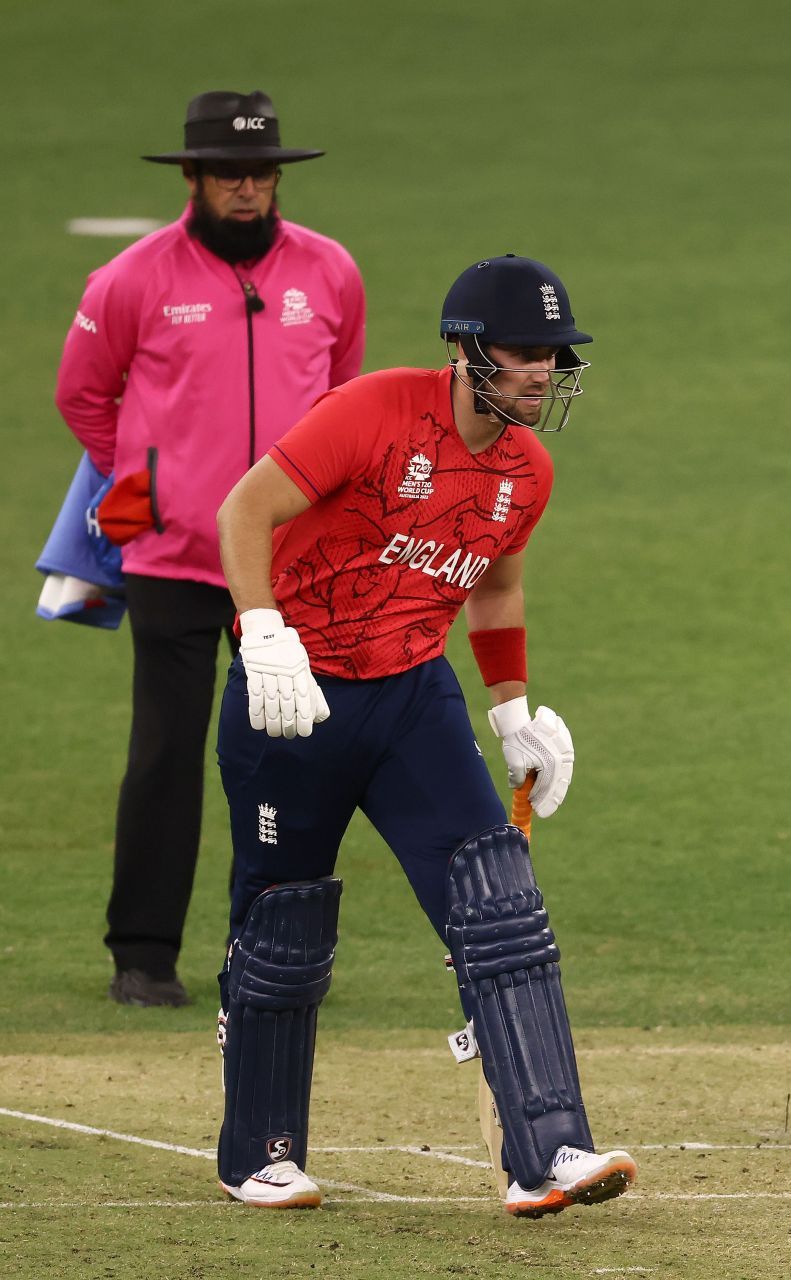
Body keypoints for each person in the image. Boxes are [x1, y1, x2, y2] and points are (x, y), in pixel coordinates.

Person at [209, 254, 633, 1216]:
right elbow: (245, 510)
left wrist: (513, 711)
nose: (544, 372)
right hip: (294, 697)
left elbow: (496, 585)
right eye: (526, 353)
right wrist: (264, 632)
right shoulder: (373, 410)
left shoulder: (528, 469)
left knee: (499, 907)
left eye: (554, 356)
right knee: (283, 924)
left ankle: (547, 1155)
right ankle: (258, 1154)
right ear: (469, 349)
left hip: (412, 698)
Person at [54, 89, 365, 1007]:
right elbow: (84, 396)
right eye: (228, 172)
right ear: (191, 176)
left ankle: (279, 952)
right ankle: (143, 954)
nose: (246, 187)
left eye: (260, 172)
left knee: (293, 754)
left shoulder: (331, 272)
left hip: (286, 564)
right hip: (175, 560)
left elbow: (342, 400)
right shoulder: (130, 280)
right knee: (165, 754)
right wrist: (149, 485)